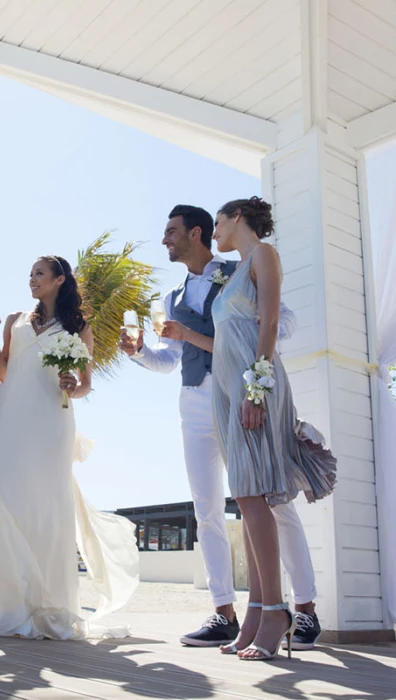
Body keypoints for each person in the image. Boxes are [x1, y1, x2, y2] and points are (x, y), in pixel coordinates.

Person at [120, 205, 324, 652]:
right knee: (207, 508)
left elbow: (279, 321)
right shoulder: (170, 297)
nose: (164, 240)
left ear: (196, 233)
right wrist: (138, 352)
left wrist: (252, 366)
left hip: (240, 387)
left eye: (171, 231)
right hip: (196, 398)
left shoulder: (241, 267)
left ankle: (303, 609)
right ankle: (225, 611)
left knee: (271, 500)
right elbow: (168, 359)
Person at [0, 256, 138, 640]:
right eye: (29, 273)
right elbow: (3, 373)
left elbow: (85, 385)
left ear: (59, 280)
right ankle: (4, 605)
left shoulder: (79, 327)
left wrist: (70, 385)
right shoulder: (15, 319)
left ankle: (49, 603)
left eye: (39, 274)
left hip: (51, 420)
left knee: (47, 504)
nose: (31, 279)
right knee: (5, 498)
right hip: (11, 417)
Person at [204, 197, 336, 660]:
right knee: (245, 495)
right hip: (227, 389)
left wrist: (256, 390)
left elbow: (271, 321)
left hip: (253, 385)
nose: (214, 230)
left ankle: (277, 610)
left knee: (254, 494)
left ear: (238, 218)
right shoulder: (232, 273)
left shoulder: (264, 255)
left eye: (218, 222)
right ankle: (258, 612)